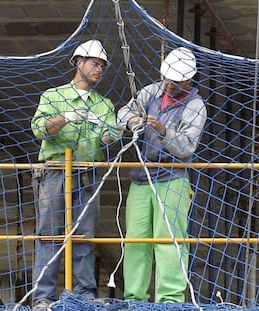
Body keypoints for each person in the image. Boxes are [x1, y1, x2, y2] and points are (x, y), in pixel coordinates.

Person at [31, 39, 123, 311]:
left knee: (83, 236)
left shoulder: (104, 104)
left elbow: (105, 137)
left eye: (103, 66)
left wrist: (114, 133)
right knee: (50, 235)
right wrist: (64, 118)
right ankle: (43, 297)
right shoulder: (53, 96)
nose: (99, 70)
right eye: (95, 63)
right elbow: (39, 128)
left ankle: (83, 295)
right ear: (78, 63)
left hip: (86, 174)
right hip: (56, 172)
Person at [117, 47, 207, 303]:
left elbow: (187, 147)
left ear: (188, 80)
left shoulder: (195, 106)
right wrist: (133, 121)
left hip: (173, 178)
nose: (169, 85)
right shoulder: (151, 92)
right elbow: (124, 111)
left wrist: (163, 130)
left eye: (175, 81)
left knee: (170, 240)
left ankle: (170, 300)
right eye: (167, 78)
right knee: (135, 240)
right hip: (142, 177)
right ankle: (134, 298)